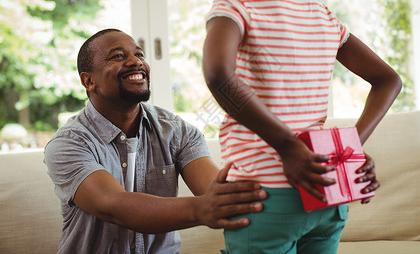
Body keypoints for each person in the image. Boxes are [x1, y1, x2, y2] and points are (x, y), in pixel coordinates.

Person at [202, 0, 402, 253]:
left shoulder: (236, 0)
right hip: (325, 193)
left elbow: (218, 75)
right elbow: (390, 80)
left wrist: (288, 147)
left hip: (263, 196)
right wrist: (349, 153)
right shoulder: (322, 14)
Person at [44, 28, 267, 254]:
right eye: (118, 56)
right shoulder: (68, 143)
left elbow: (215, 191)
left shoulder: (177, 131)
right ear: (89, 81)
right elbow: (113, 206)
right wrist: (200, 209)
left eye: (139, 55)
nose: (135, 62)